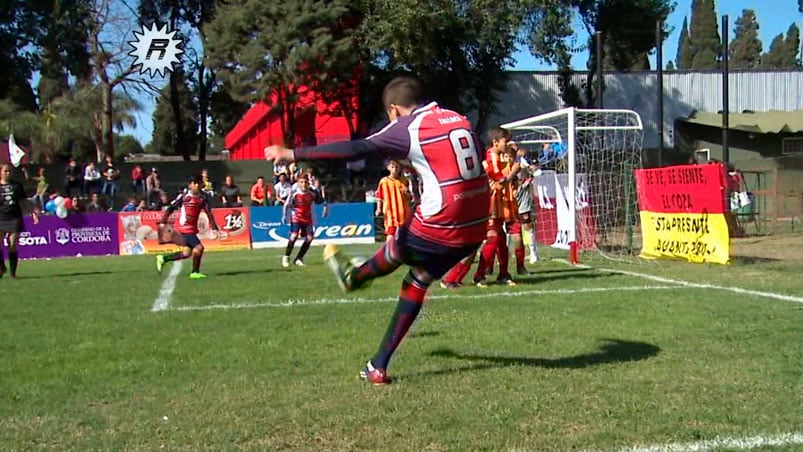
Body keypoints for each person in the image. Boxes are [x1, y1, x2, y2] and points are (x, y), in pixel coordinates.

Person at [264, 76, 489, 385]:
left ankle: (354, 277)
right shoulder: (459, 119)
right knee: (418, 278)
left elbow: (358, 148)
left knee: (398, 249)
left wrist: (292, 154)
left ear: (394, 109)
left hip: (443, 218)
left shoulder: (408, 126)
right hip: (477, 223)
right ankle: (377, 366)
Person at [472, 126, 519, 287]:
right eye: (505, 141)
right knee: (492, 240)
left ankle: (503, 274)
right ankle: (479, 275)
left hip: (498, 204)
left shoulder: (498, 156)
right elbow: (499, 181)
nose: (507, 144)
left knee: (501, 240)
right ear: (495, 142)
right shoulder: (491, 157)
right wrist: (513, 173)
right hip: (490, 205)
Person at [155, 174, 219, 280]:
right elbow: (171, 208)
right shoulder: (185, 196)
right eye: (195, 183)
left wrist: (215, 228)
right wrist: (163, 221)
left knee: (186, 253)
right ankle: (195, 272)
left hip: (192, 229)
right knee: (199, 248)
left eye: (199, 183)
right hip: (183, 228)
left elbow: (208, 212)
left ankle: (163, 258)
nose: (197, 185)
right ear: (190, 185)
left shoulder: (203, 197)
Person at [0, 163, 39, 279]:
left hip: (14, 217)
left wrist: (33, 213)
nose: (8, 173)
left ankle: (13, 274)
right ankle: (1, 266)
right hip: (1, 217)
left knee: (12, 244)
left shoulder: (17, 186)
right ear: (0, 172)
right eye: (6, 171)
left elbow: (23, 202)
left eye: (10, 171)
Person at [281, 175, 325, 267]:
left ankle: (299, 258)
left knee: (309, 238)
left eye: (305, 182)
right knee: (294, 236)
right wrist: (284, 216)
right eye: (301, 182)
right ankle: (286, 256)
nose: (303, 184)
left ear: (308, 183)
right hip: (296, 218)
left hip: (308, 219)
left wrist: (325, 208)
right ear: (298, 183)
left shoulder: (312, 193)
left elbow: (322, 201)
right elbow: (286, 205)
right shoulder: (294, 194)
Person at [374, 160, 412, 242]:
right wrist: (379, 208)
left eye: (397, 167)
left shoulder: (404, 181)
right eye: (392, 167)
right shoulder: (384, 181)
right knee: (391, 232)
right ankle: (389, 250)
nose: (395, 169)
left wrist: (407, 192)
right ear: (388, 168)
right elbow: (379, 196)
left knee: (404, 233)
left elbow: (409, 198)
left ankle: (402, 251)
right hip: (390, 211)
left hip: (403, 212)